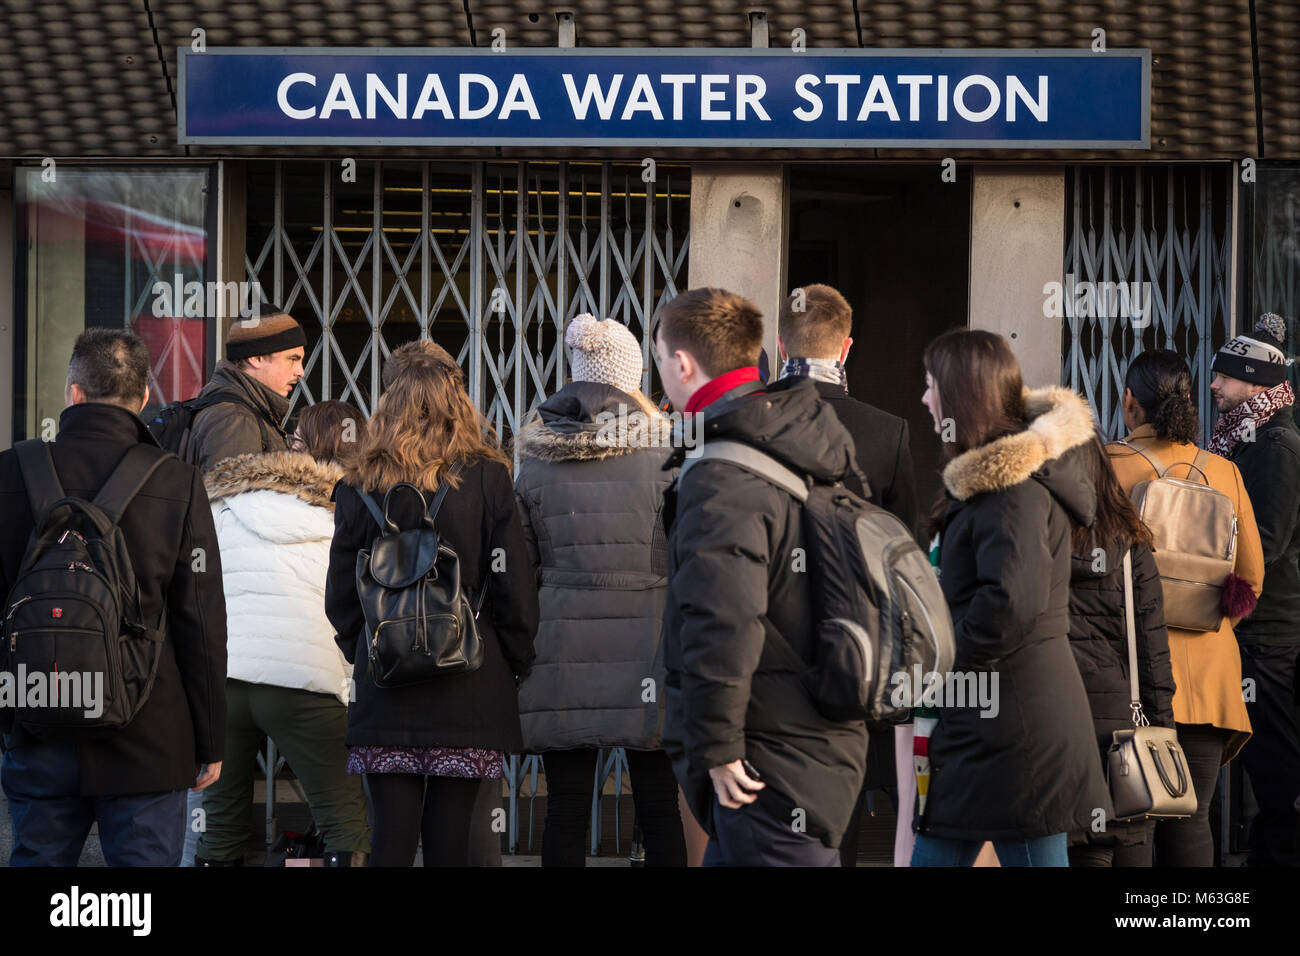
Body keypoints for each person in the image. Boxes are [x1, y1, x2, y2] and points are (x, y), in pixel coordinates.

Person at [656, 287, 868, 867]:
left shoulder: (724, 469)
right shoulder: (800, 437)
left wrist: (720, 748)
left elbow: (725, 616)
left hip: (766, 766)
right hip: (811, 745)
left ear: (681, 363)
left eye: (660, 360)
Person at [0, 329, 227, 866]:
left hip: (37, 723)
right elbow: (200, 620)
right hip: (149, 737)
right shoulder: (179, 481)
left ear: (71, 393)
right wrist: (210, 738)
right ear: (145, 397)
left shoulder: (11, 471)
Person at [325, 340, 538, 867]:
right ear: (457, 400)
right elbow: (512, 582)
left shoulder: (357, 483)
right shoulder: (488, 477)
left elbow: (340, 594)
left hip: (386, 679)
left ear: (388, 399)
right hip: (466, 678)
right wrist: (515, 656)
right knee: (452, 844)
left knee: (390, 842)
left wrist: (365, 647)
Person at [911, 328, 1110, 867]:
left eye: (931, 385)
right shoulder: (994, 481)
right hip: (994, 723)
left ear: (961, 395)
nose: (925, 399)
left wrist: (941, 663)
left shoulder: (1010, 488)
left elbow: (1010, 604)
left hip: (1015, 731)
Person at [515, 313, 686, 867]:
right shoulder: (668, 454)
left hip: (562, 653)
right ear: (631, 377)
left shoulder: (535, 459)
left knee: (565, 805)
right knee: (659, 803)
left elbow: (520, 563)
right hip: (651, 651)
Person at [774, 283, 918, 866]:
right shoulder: (887, 432)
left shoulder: (740, 421)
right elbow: (905, 563)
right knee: (845, 817)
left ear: (780, 343)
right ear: (847, 347)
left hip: (765, 658)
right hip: (854, 657)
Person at [195, 400, 371, 867]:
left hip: (225, 680)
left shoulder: (227, 500)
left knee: (219, 824)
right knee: (342, 823)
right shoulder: (353, 510)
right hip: (305, 680)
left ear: (295, 446)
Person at [1107, 348, 1265, 866]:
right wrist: (1202, 618)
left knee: (1131, 821)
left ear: (1130, 402)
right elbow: (1251, 579)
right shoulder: (1224, 472)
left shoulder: (1107, 467)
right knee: (1191, 819)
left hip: (1129, 678)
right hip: (1210, 682)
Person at [1207, 315, 1300, 867]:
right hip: (1254, 629)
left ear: (1255, 383)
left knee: (1274, 758)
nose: (1214, 385)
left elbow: (1265, 543)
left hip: (1266, 635)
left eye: (1225, 377)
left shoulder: (1276, 448)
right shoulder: (1247, 437)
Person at [1066, 436, 1177, 866]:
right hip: (1125, 740)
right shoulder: (1131, 546)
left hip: (1059, 733)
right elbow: (1152, 652)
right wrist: (1163, 733)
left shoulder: (1037, 544)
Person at [187, 307, 306, 473]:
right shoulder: (235, 419)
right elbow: (231, 496)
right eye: (292, 359)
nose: (301, 371)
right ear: (257, 358)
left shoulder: (241, 410)